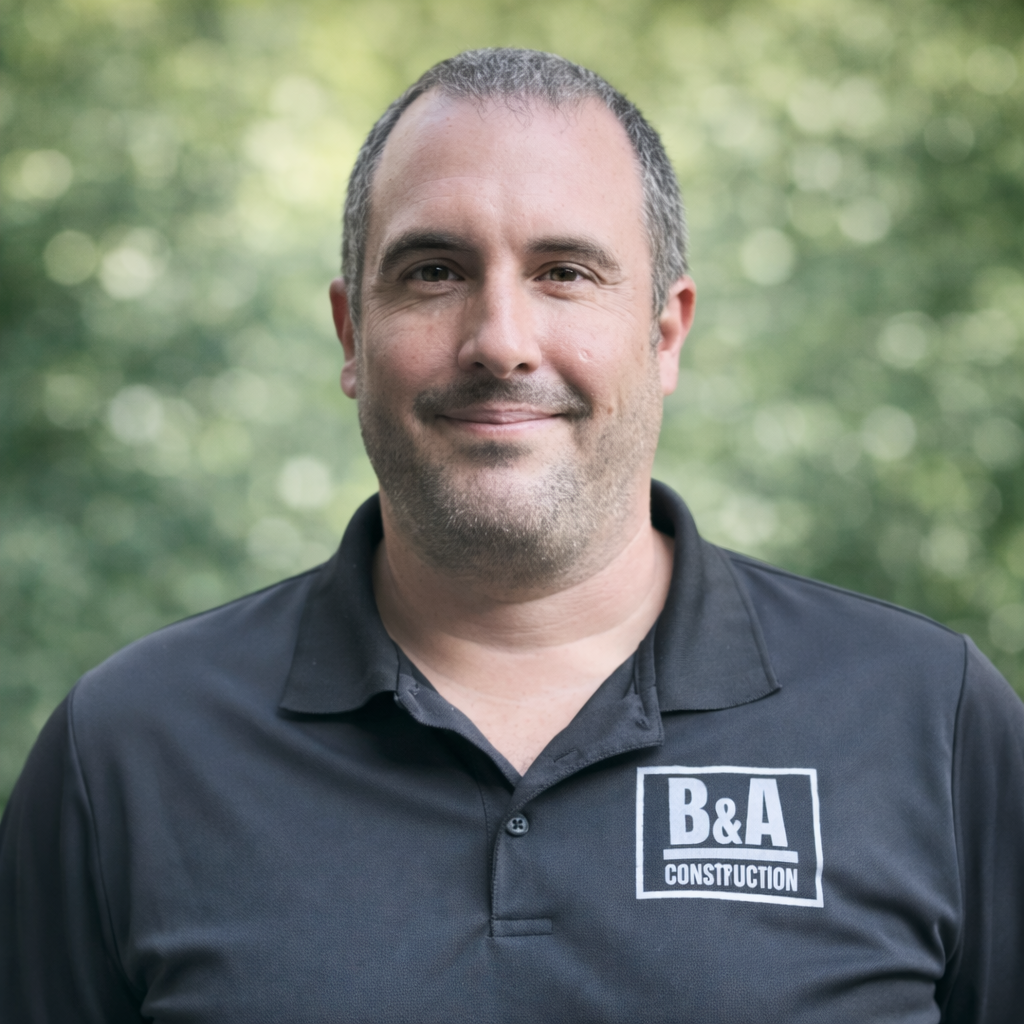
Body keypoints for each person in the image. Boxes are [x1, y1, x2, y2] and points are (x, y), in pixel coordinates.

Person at [1, 47, 1022, 1024]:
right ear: (352, 334)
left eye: (565, 272)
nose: (499, 341)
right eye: (435, 271)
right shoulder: (127, 748)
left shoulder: (930, 720)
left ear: (664, 333)